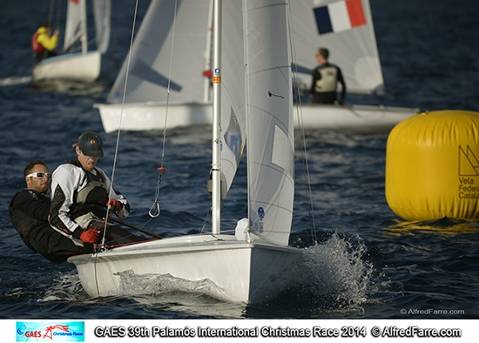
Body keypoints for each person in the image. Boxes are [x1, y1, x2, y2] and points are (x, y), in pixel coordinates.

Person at [49, 131, 140, 246]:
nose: (92, 159)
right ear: (78, 150)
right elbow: (55, 216)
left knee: (135, 238)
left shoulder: (100, 175)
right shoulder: (67, 172)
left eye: (96, 155)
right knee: (130, 240)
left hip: (102, 228)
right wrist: (80, 234)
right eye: (88, 154)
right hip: (81, 233)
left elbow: (125, 211)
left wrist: (117, 205)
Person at [9, 160, 94, 263]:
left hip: (51, 242)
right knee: (96, 245)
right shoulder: (24, 196)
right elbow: (47, 213)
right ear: (28, 179)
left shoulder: (43, 198)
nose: (46, 179)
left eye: (48, 176)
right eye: (40, 175)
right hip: (49, 241)